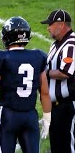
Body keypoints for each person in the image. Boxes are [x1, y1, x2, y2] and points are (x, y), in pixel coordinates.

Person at [0, 16, 52, 153]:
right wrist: (47, 118)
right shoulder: (38, 56)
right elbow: (44, 92)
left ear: (7, 36)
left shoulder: (0, 58)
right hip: (30, 116)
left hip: (9, 116)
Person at [40, 9, 75, 153]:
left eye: (50, 24)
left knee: (68, 145)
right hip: (55, 106)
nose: (48, 27)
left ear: (61, 24)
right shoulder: (56, 44)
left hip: (68, 105)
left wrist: (44, 73)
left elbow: (65, 72)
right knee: (57, 146)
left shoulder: (71, 44)